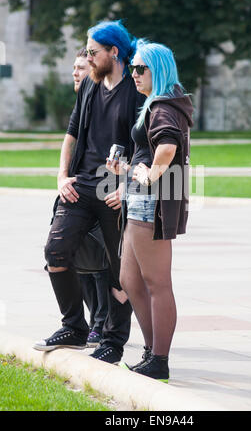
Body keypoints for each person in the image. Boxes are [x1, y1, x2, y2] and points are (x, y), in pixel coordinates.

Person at [33, 20, 144, 365]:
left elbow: (146, 148)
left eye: (94, 52)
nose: (89, 59)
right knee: (56, 250)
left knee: (118, 271)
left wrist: (127, 187)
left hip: (115, 187)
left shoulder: (136, 92)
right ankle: (75, 327)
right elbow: (71, 133)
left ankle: (112, 341)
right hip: (81, 184)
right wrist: (62, 174)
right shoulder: (90, 87)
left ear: (114, 52)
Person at [106, 39, 193, 382]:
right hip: (140, 198)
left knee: (157, 282)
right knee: (129, 279)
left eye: (141, 68)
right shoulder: (156, 104)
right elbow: (152, 151)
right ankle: (152, 351)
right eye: (132, 68)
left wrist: (153, 172)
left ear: (158, 70)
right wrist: (127, 170)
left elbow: (168, 146)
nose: (134, 74)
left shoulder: (163, 107)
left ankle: (159, 358)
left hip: (151, 204)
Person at [72, 47, 109, 347]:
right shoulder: (82, 103)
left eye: (81, 68)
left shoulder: (106, 100)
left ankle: (102, 322)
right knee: (76, 257)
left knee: (100, 262)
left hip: (103, 188)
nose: (76, 73)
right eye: (74, 68)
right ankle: (91, 320)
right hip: (77, 186)